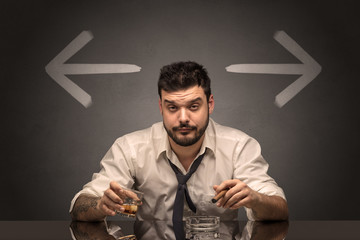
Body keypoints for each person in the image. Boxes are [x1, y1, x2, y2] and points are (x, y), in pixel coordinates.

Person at [70, 61, 288, 223]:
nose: (183, 118)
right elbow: (79, 206)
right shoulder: (130, 148)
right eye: (172, 107)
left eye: (194, 106)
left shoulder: (239, 146)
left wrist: (255, 199)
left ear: (210, 104)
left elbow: (280, 209)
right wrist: (99, 205)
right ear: (161, 107)